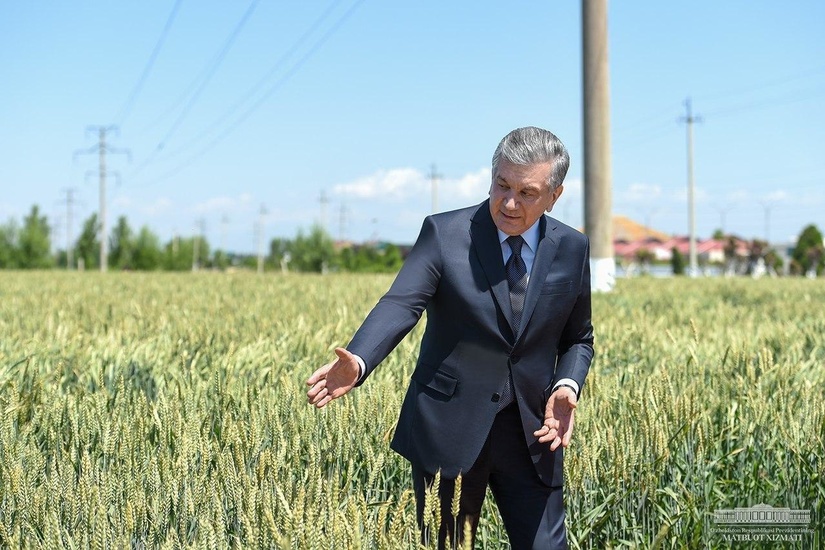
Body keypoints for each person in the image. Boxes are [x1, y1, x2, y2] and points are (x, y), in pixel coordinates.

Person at [306, 126, 593, 549]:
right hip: (450, 428)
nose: (509, 203)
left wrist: (568, 384)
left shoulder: (572, 247)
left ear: (555, 195)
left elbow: (578, 339)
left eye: (527, 193)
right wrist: (361, 359)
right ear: (492, 174)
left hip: (536, 433)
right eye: (502, 185)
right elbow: (401, 302)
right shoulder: (445, 233)